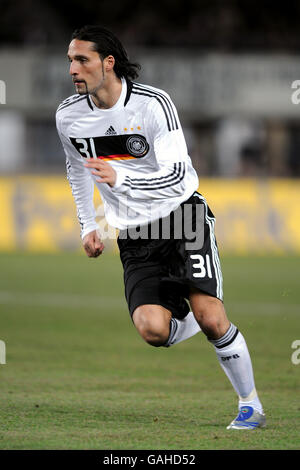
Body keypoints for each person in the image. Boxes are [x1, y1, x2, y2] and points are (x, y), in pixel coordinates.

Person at [56, 25, 265, 430]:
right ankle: (195, 315)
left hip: (183, 216)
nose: (73, 69)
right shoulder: (69, 116)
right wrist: (87, 224)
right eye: (70, 60)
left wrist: (120, 179)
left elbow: (176, 175)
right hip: (134, 232)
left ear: (108, 62)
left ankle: (250, 405)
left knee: (212, 318)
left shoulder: (153, 104)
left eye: (81, 59)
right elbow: (77, 170)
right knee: (152, 329)